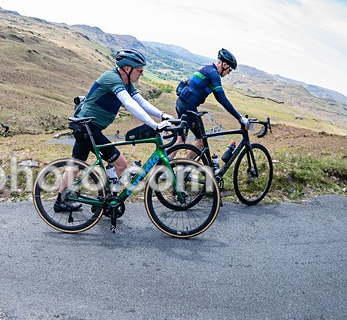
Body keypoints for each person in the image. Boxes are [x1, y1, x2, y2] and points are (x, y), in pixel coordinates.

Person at [57, 49, 173, 211]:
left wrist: (162, 115)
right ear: (127, 68)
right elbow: (129, 104)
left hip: (86, 126)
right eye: (139, 70)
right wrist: (154, 125)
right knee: (120, 163)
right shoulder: (112, 78)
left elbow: (140, 101)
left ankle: (61, 202)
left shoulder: (127, 83)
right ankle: (104, 201)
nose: (141, 73)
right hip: (87, 127)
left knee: (75, 166)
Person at [175, 48, 249, 156]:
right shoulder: (214, 74)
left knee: (180, 141)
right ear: (224, 64)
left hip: (181, 103)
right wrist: (239, 118)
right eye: (230, 69)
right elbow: (221, 98)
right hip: (188, 107)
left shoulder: (207, 68)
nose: (228, 73)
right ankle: (183, 169)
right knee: (201, 142)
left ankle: (162, 169)